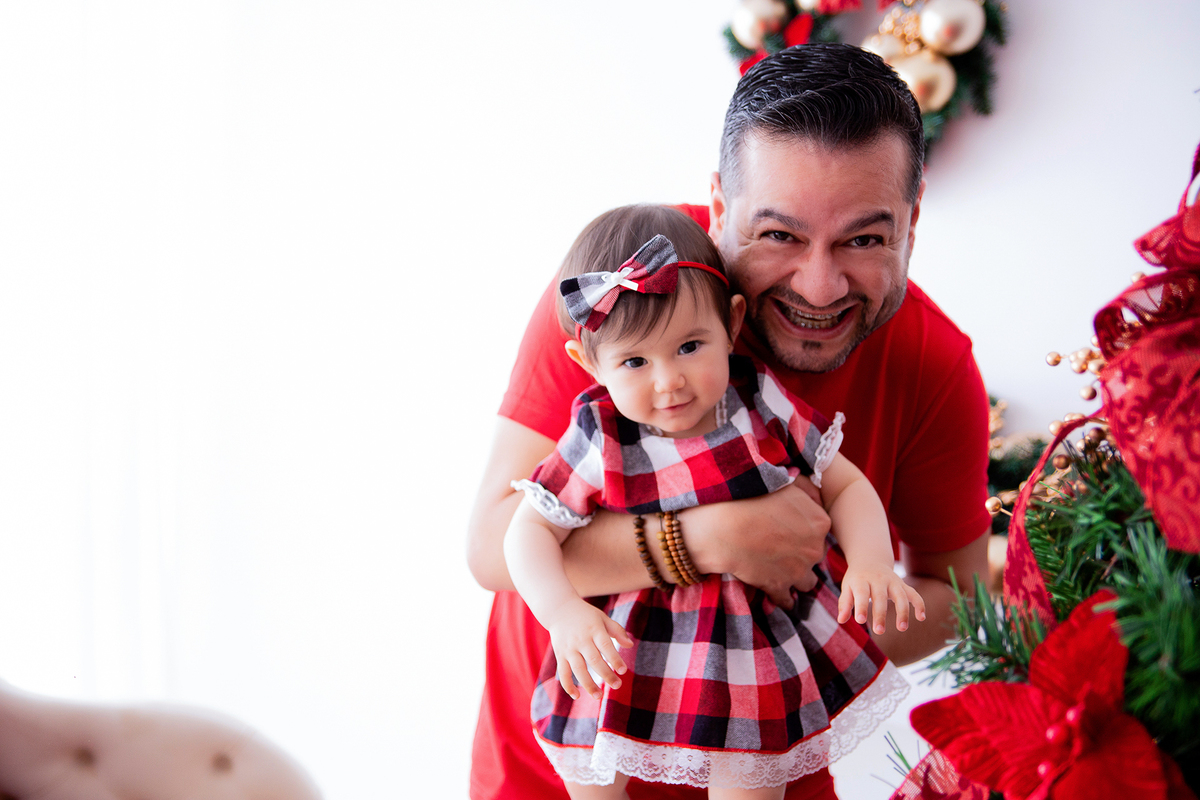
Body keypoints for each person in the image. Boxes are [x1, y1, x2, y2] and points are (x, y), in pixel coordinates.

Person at [468, 42, 992, 800]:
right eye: (780, 235)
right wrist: (715, 542)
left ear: (912, 222)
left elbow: (959, 600)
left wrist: (805, 617)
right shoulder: (623, 296)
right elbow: (493, 545)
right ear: (719, 205)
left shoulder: (933, 364)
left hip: (766, 760)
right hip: (552, 772)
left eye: (864, 239)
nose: (820, 285)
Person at [503, 205, 924, 799]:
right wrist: (562, 612)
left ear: (731, 324)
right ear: (588, 363)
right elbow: (527, 532)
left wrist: (872, 561)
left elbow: (845, 484)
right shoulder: (599, 436)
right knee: (592, 776)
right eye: (634, 361)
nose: (668, 380)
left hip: (745, 648)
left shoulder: (758, 402)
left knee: (750, 778)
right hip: (624, 649)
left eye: (690, 346)